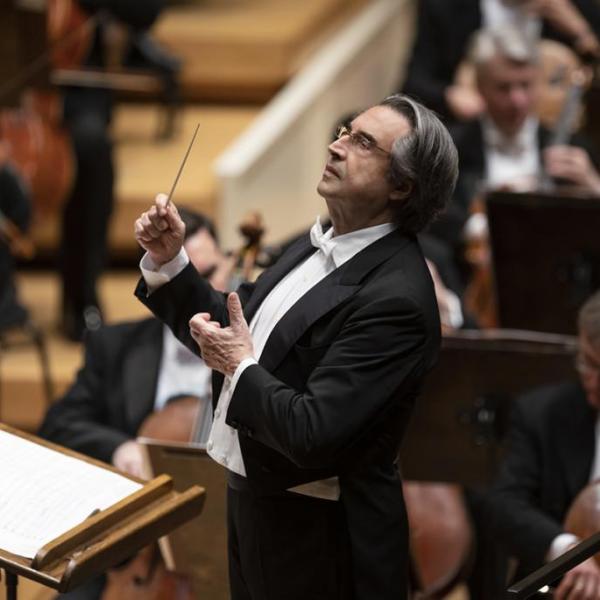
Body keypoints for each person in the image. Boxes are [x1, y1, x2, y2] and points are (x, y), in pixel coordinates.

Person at [133, 93, 459, 600]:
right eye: (345, 131)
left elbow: (312, 431)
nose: (336, 146)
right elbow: (237, 333)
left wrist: (239, 366)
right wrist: (171, 264)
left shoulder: (397, 300)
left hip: (320, 537)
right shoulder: (312, 241)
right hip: (258, 504)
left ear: (401, 186)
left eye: (363, 143)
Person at [60, 0, 179, 341]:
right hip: (18, 88)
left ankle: (82, 295)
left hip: (80, 91)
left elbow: (146, 12)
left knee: (92, 148)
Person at [428, 24, 600, 256]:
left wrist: (594, 188)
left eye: (525, 85)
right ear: (480, 86)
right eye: (503, 87)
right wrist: (477, 230)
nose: (517, 100)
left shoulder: (575, 148)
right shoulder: (447, 148)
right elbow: (430, 218)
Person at [489, 289, 600, 599]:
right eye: (586, 362)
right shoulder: (543, 414)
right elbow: (504, 505)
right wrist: (566, 549)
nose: (590, 379)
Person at [402, 0, 600, 123]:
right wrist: (449, 95)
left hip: (553, 132)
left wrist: (581, 32)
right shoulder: (446, 6)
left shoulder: (574, 6)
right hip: (470, 135)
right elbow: (414, 83)